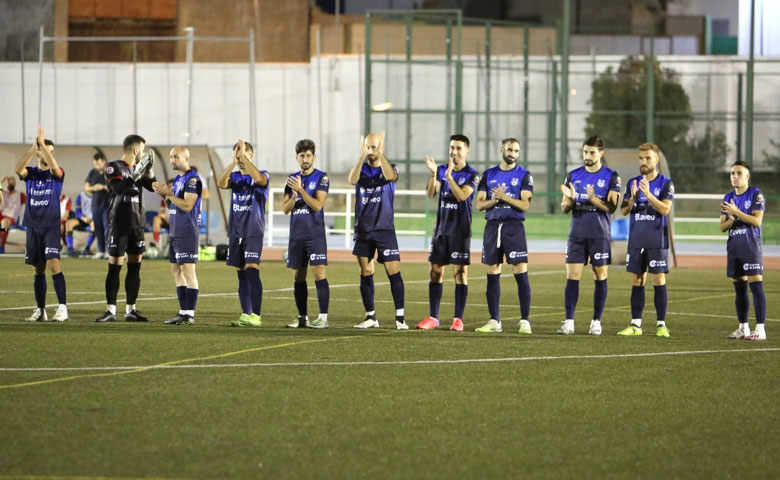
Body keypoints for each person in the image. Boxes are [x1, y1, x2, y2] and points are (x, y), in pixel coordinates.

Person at [416, 134, 480, 332]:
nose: (454, 152)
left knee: (460, 273)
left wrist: (449, 178)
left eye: (459, 148)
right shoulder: (442, 169)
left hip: (460, 232)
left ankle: (457, 319)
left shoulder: (472, 174)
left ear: (467, 151)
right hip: (441, 231)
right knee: (435, 271)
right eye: (452, 147)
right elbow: (431, 193)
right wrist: (434, 174)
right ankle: (433, 317)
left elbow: (462, 196)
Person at [558, 135, 621, 335]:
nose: (588, 156)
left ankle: (596, 322)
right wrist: (570, 199)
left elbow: (611, 207)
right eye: (585, 152)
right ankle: (569, 322)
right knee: (572, 276)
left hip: (599, 234)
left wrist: (593, 200)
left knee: (599, 274)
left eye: (592, 152)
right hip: (577, 233)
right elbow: (564, 208)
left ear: (601, 153)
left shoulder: (611, 176)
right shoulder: (573, 175)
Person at [472, 138, 534, 334]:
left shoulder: (524, 175)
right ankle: (494, 321)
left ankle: (525, 320)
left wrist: (505, 198)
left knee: (520, 271)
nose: (513, 153)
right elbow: (479, 204)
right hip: (492, 227)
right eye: (509, 149)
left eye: (516, 150)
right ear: (502, 150)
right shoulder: (489, 174)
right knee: (492, 272)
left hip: (514, 227)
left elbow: (525, 205)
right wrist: (494, 199)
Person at [347, 132, 409, 330]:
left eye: (374, 147)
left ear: (381, 147)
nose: (371, 151)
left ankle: (400, 318)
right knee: (365, 271)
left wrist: (381, 154)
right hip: (363, 229)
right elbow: (351, 180)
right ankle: (371, 317)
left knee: (393, 271)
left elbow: (392, 176)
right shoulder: (362, 169)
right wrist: (361, 156)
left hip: (384, 229)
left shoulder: (389, 167)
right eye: (368, 147)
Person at [95, 134, 156, 323]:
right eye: (143, 150)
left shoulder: (140, 169)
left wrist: (149, 169)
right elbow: (120, 189)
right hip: (119, 224)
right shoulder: (113, 167)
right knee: (114, 267)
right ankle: (110, 311)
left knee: (135, 268)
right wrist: (137, 172)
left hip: (137, 224)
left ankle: (131, 309)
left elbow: (152, 186)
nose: (144, 154)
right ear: (136, 150)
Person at [617, 143, 674, 337]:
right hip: (636, 239)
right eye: (641, 158)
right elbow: (624, 211)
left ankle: (661, 325)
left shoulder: (666, 183)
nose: (643, 162)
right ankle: (635, 325)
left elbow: (665, 209)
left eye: (648, 158)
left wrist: (648, 195)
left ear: (656, 160)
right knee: (637, 279)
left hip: (656, 239)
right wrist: (632, 199)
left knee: (658, 279)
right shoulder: (633, 182)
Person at [15, 126, 68, 321]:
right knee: (38, 269)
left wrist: (44, 147)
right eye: (47, 151)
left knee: (54, 265)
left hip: (51, 225)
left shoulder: (57, 174)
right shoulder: (31, 173)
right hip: (33, 226)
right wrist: (32, 149)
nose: (49, 154)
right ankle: (41, 310)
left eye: (52, 152)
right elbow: (17, 169)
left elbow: (54, 167)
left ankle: (62, 308)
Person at [216, 140, 268, 327]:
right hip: (236, 231)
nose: (240, 159)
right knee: (241, 274)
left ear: (251, 156)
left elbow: (261, 181)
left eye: (243, 155)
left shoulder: (261, 175)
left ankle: (257, 315)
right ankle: (246, 314)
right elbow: (221, 183)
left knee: (252, 269)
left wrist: (245, 158)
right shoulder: (235, 177)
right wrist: (232, 163)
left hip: (253, 230)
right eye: (237, 155)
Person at [282, 139, 331, 329]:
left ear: (314, 157)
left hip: (315, 235)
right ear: (296, 157)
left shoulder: (322, 177)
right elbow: (285, 209)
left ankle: (323, 318)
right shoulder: (291, 180)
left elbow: (318, 205)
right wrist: (294, 195)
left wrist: (301, 190)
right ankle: (302, 317)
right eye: (301, 155)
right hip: (297, 236)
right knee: (298, 277)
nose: (305, 159)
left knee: (319, 274)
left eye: (308, 155)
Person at [153, 146, 202, 326]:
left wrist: (169, 194)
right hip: (175, 231)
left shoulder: (192, 179)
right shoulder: (179, 179)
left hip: (187, 232)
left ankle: (190, 314)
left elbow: (188, 205)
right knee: (176, 271)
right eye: (171, 157)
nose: (172, 160)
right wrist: (165, 195)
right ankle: (183, 311)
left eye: (176, 157)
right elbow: (175, 204)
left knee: (188, 272)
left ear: (186, 158)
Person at [721, 161, 767, 341]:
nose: (735, 176)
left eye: (739, 173)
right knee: (739, 289)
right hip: (734, 248)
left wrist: (736, 212)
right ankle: (743, 328)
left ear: (747, 176)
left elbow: (757, 221)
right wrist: (731, 218)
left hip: (750, 247)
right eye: (732, 173)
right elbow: (722, 226)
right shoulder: (727, 197)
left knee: (756, 287)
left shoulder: (755, 194)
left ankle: (760, 329)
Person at [85, 153, 109, 259]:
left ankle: (109, 250)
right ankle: (101, 250)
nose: (97, 166)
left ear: (104, 161)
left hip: (107, 205)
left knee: (107, 228)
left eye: (99, 163)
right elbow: (87, 188)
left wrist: (103, 187)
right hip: (95, 205)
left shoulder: (110, 172)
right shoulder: (92, 173)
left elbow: (115, 188)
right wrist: (95, 188)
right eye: (95, 164)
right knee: (98, 228)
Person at [64, 190, 96, 257]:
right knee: (69, 224)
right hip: (81, 219)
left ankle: (87, 249)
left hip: (93, 220)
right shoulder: (81, 196)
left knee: (94, 225)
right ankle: (70, 249)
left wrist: (92, 218)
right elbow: (78, 212)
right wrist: (83, 218)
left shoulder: (98, 197)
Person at [0, 176, 26, 254]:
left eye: (12, 182)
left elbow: (30, 204)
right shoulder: (2, 193)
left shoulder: (20, 195)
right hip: (1, 215)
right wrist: (2, 180)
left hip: (11, 218)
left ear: (15, 183)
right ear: (5, 184)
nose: (10, 184)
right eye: (8, 182)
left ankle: (1, 245)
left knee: (4, 224)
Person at [151, 180, 173, 246]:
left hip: (178, 223)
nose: (170, 189)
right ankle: (156, 244)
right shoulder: (164, 199)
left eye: (172, 187)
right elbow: (161, 213)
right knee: (156, 219)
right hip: (167, 221)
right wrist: (163, 216)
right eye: (168, 187)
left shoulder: (180, 198)